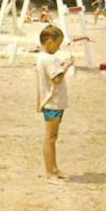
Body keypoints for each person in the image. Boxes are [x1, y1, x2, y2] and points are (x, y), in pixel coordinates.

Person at [36, 25, 75, 182]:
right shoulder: (48, 59)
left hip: (53, 102)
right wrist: (67, 65)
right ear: (50, 41)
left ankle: (54, 169)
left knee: (53, 137)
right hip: (52, 102)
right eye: (58, 44)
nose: (59, 48)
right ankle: (50, 172)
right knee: (50, 138)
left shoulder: (43, 57)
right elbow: (56, 79)